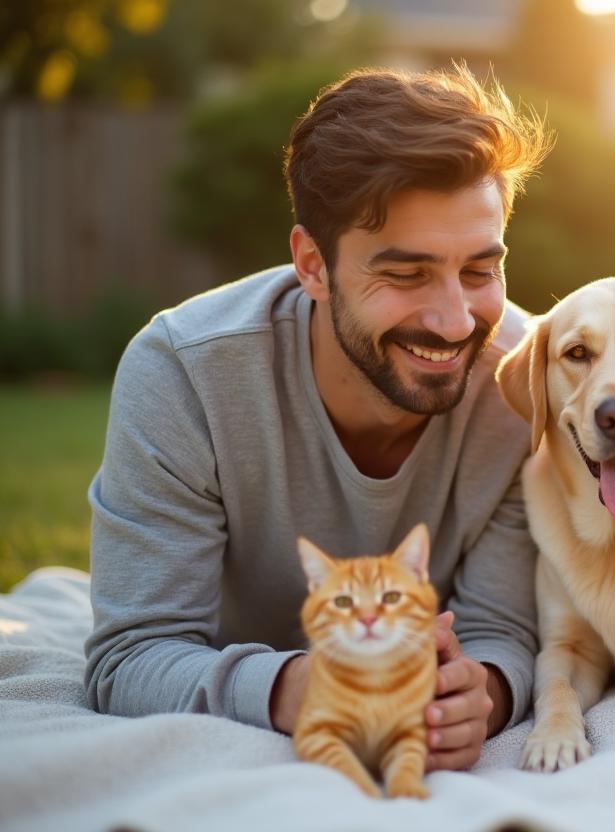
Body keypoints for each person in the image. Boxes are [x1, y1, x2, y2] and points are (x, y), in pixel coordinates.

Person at [85, 65, 552, 769]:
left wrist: (480, 690)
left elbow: (502, 630)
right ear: (312, 265)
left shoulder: (532, 384)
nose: (456, 320)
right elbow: (131, 655)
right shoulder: (183, 373)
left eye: (481, 271)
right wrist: (291, 686)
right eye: (405, 274)